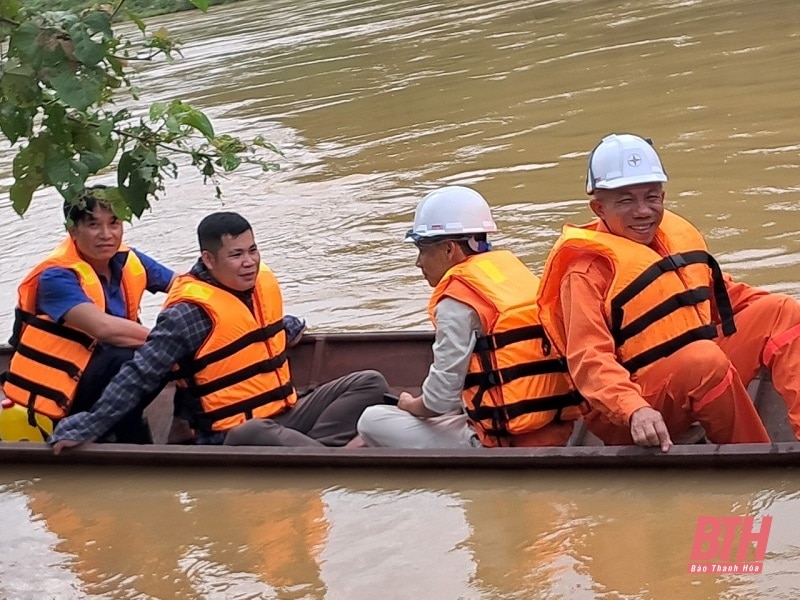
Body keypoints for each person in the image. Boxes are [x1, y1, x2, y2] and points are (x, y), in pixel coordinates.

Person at [537, 133, 800, 451]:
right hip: (629, 409)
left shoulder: (671, 240)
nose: (643, 211)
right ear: (599, 208)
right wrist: (634, 409)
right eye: (625, 200)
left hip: (690, 373)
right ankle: (758, 459)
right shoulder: (584, 273)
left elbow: (720, 297)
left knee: (783, 310)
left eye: (652, 197)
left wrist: (774, 314)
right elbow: (588, 362)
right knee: (704, 361)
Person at [48, 211, 388, 452]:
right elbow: (138, 376)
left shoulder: (255, 286)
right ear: (209, 260)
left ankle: (318, 451)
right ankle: (332, 457)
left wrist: (285, 328)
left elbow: (254, 343)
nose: (250, 262)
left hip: (286, 413)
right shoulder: (188, 314)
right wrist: (89, 425)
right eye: (237, 254)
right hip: (234, 434)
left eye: (253, 250)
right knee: (256, 430)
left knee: (370, 381)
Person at [357, 186, 583, 449]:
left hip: (504, 441)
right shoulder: (511, 275)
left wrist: (409, 404)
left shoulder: (457, 300)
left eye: (422, 249)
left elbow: (438, 402)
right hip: (559, 425)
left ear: (450, 249)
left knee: (370, 420)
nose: (419, 262)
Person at [1, 185, 175, 443]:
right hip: (65, 392)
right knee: (133, 356)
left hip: (109, 379)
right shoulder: (57, 276)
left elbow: (183, 287)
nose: (106, 234)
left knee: (184, 352)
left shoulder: (129, 259)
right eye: (93, 225)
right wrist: (171, 341)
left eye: (114, 223)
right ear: (73, 231)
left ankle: (176, 424)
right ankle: (105, 432)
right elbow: (103, 328)